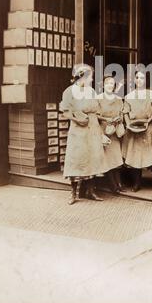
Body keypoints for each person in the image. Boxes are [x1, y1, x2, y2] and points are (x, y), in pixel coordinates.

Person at [60, 64, 107, 204]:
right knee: (76, 158)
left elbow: (97, 110)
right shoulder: (69, 92)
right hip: (78, 128)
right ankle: (74, 193)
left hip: (92, 127)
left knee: (93, 157)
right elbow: (66, 111)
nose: (92, 79)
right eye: (91, 76)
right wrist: (77, 118)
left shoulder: (91, 91)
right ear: (83, 77)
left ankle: (90, 191)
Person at [122, 70, 152, 193]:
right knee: (135, 156)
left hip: (147, 128)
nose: (139, 80)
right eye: (137, 77)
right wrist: (128, 124)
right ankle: (136, 183)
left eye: (142, 78)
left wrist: (149, 120)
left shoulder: (151, 94)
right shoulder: (129, 96)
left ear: (146, 80)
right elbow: (125, 112)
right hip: (133, 129)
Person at [97, 75, 125, 194]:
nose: (110, 85)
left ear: (114, 86)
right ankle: (113, 186)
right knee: (107, 158)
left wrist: (119, 118)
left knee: (116, 157)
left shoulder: (118, 99)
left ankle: (119, 183)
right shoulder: (98, 98)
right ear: (103, 84)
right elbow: (95, 115)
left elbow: (122, 114)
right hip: (103, 130)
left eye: (112, 83)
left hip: (115, 131)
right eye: (107, 83)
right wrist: (106, 119)